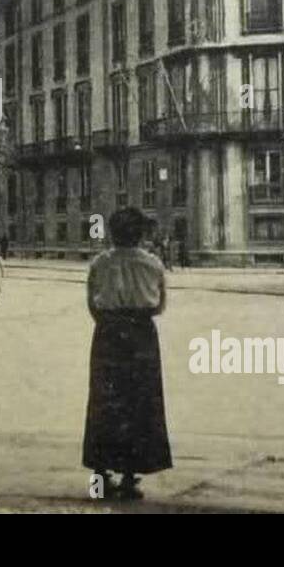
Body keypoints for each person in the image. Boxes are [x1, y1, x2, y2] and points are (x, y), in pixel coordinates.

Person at [82, 207, 171, 501]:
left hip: (108, 334)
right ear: (140, 234)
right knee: (140, 402)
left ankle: (100, 474)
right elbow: (160, 306)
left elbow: (92, 305)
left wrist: (110, 322)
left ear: (113, 233)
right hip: (142, 336)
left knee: (104, 402)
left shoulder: (99, 263)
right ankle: (131, 476)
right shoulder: (154, 264)